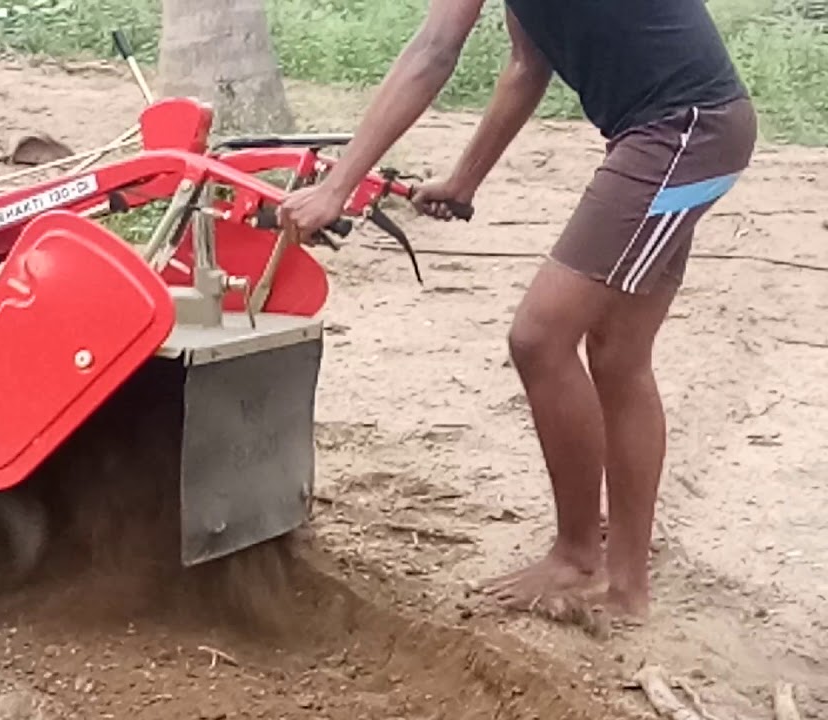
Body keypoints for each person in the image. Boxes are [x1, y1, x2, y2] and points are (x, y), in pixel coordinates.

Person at [279, 0, 757, 623]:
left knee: (539, 338)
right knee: (617, 354)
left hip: (681, 132)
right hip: (691, 131)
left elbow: (433, 51)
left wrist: (336, 186)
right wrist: (464, 181)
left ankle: (579, 557)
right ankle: (626, 590)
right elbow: (527, 65)